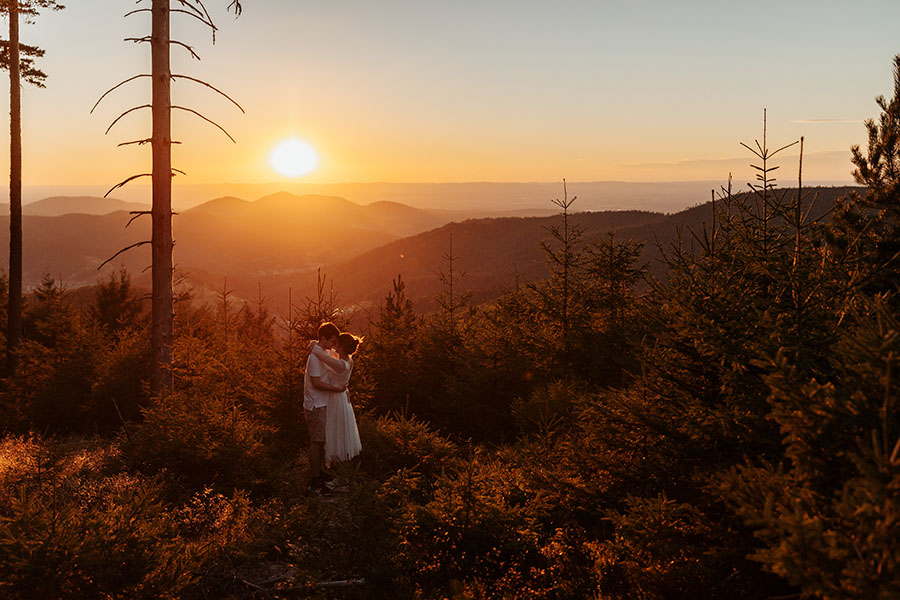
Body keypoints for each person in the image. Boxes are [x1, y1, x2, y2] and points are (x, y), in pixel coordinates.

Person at [309, 332, 363, 467]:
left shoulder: (340, 364)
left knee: (336, 434)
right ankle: (338, 474)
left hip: (336, 400)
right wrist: (316, 343)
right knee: (340, 434)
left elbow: (323, 357)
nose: (334, 346)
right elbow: (329, 355)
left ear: (343, 347)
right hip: (342, 398)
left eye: (337, 344)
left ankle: (337, 474)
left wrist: (313, 346)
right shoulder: (348, 361)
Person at [303, 322, 344, 494]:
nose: (333, 345)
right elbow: (316, 383)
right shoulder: (314, 358)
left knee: (322, 441)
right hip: (315, 405)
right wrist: (337, 389)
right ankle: (314, 479)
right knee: (317, 442)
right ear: (324, 338)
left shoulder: (321, 353)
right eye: (332, 341)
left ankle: (320, 473)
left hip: (323, 404)